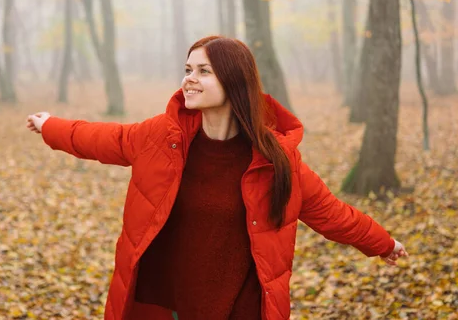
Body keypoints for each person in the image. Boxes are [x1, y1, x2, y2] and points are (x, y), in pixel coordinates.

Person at [26, 36, 408, 320]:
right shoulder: (161, 138)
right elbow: (99, 138)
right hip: (168, 303)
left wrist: (383, 243)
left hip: (239, 310)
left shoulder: (275, 160)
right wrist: (50, 126)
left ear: (234, 81)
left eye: (204, 71)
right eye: (188, 69)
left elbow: (330, 212)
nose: (189, 79)